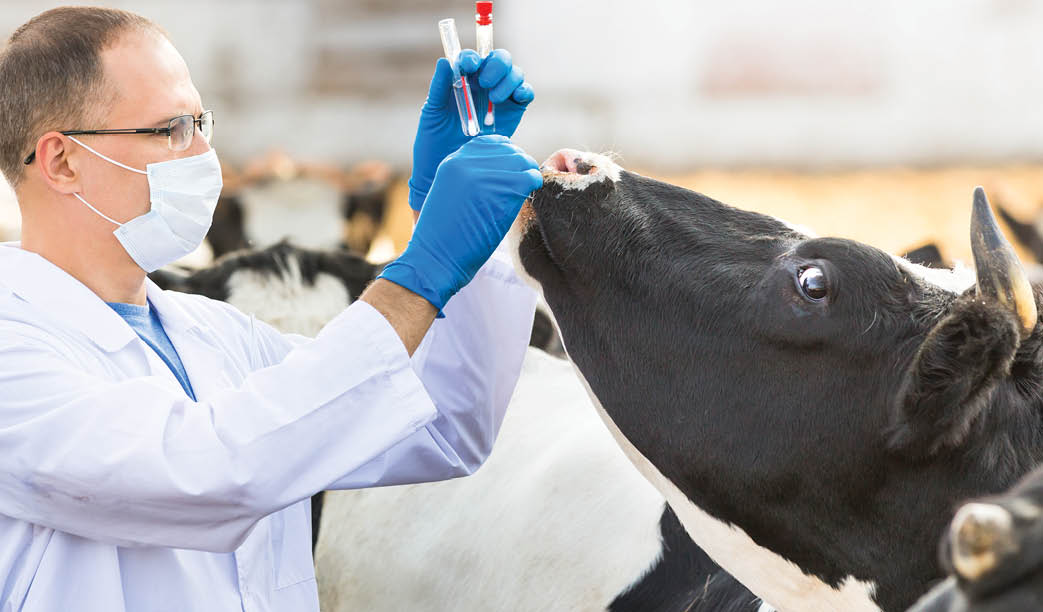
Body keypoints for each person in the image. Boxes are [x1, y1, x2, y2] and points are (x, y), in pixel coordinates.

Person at [0, 6, 543, 611]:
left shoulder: (214, 335)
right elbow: (212, 471)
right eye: (171, 128)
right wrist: (421, 273)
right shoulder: (13, 349)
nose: (206, 152)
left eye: (202, 121)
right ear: (62, 161)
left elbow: (441, 423)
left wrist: (457, 238)